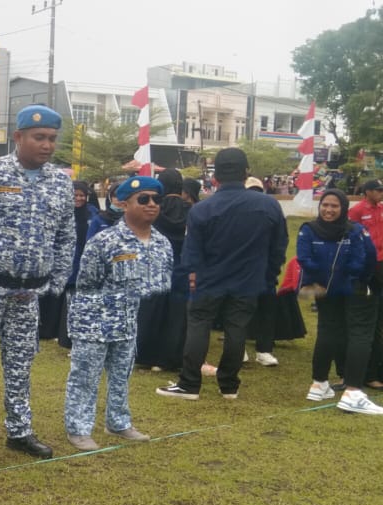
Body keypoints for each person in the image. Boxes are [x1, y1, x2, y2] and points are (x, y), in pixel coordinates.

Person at [0, 105, 74, 469]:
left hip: (30, 293)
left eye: (52, 139)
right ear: (18, 137)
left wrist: (54, 282)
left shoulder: (60, 182)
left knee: (21, 361)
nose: (47, 145)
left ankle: (19, 430)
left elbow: (66, 236)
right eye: (39, 138)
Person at [156, 148, 287, 401]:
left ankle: (189, 383)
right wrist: (269, 274)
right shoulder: (269, 205)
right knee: (237, 329)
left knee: (199, 325)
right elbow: (279, 245)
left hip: (208, 279)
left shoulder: (202, 209)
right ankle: (229, 385)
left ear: (215, 176)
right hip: (249, 279)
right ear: (246, 172)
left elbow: (192, 251)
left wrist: (189, 277)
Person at [64, 177, 173, 450]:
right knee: (85, 376)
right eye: (144, 199)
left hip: (130, 317)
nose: (151, 205)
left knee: (122, 373)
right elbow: (87, 281)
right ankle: (78, 429)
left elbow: (160, 283)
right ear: (125, 204)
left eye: (156, 200)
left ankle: (118, 422)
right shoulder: (105, 240)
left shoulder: (161, 242)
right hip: (95, 316)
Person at [298, 190, 383, 413]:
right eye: (325, 204)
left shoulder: (319, 229)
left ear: (343, 208)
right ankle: (352, 390)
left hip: (330, 287)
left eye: (334, 206)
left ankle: (319, 384)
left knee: (331, 331)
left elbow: (307, 260)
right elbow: (370, 258)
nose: (328, 209)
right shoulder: (316, 229)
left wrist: (319, 278)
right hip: (347, 288)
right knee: (358, 334)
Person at [135, 169, 190, 370]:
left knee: (151, 310)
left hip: (155, 264)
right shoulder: (191, 209)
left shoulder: (153, 209)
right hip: (182, 265)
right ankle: (170, 358)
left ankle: (145, 355)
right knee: (176, 314)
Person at [42, 180, 98, 347]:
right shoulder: (62, 211)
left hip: (81, 258)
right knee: (55, 295)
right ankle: (48, 329)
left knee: (72, 297)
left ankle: (67, 332)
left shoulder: (92, 213)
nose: (79, 199)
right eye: (75, 195)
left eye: (82, 195)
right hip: (60, 259)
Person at [348, 179, 383, 390]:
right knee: (368, 320)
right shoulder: (357, 211)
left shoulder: (381, 209)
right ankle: (366, 373)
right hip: (368, 267)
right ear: (367, 191)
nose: (380, 193)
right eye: (378, 190)